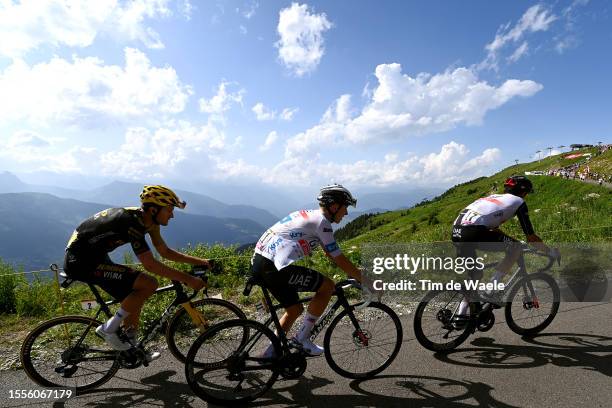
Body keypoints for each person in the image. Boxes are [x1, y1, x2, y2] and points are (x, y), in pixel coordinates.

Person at [63, 185, 210, 358]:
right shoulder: (132, 223)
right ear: (154, 209)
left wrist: (200, 261)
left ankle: (131, 348)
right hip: (80, 262)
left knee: (135, 296)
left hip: (95, 257)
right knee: (149, 283)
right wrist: (188, 279)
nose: (172, 214)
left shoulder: (149, 221)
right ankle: (108, 329)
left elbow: (164, 251)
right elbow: (150, 265)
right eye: (169, 209)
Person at [251, 184, 364, 356]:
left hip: (260, 263)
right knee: (327, 286)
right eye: (345, 207)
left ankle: (270, 352)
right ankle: (302, 339)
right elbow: (337, 257)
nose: (346, 213)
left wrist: (353, 272)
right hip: (273, 267)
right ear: (334, 206)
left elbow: (329, 253)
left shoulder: (306, 214)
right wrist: (366, 279)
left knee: (295, 309)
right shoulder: (323, 223)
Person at [451, 176, 558, 320]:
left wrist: (513, 240)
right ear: (523, 192)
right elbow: (531, 238)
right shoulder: (519, 202)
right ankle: (491, 289)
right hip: (473, 232)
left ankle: (460, 316)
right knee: (515, 248)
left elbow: (493, 229)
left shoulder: (494, 197)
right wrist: (550, 252)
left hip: (456, 232)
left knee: (475, 275)